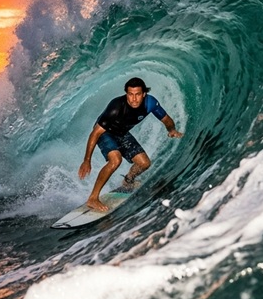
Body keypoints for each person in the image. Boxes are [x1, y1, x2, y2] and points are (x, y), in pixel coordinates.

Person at [78, 77, 184, 212]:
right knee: (115, 160)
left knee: (144, 163)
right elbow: (95, 133)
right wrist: (87, 160)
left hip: (122, 133)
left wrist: (172, 130)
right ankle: (93, 198)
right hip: (106, 133)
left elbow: (166, 119)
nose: (134, 99)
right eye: (130, 94)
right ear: (126, 93)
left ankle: (128, 181)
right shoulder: (116, 107)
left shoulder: (150, 103)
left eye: (137, 94)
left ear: (144, 94)